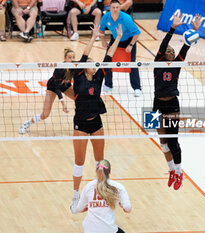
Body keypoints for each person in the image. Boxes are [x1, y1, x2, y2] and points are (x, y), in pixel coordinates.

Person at [71, 24, 123, 207]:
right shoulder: (78, 77)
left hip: (97, 123)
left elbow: (109, 56)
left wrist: (118, 38)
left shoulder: (99, 77)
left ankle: (100, 190)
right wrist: (93, 37)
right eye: (91, 64)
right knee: (79, 161)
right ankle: (76, 194)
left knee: (100, 161)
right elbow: (84, 55)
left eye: (95, 64)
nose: (94, 65)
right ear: (85, 68)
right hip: (81, 124)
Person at [153, 12, 202, 190]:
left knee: (173, 141)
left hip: (172, 103)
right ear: (162, 55)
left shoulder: (177, 64)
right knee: (163, 141)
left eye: (173, 51)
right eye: (169, 51)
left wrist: (195, 31)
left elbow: (186, 48)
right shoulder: (157, 63)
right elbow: (164, 44)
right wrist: (173, 28)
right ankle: (171, 170)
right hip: (156, 104)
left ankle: (180, 173)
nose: (172, 52)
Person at [19, 48, 76, 134]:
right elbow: (57, 88)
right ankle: (27, 123)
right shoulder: (59, 69)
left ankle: (85, 125)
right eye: (69, 57)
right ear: (65, 59)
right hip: (53, 87)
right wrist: (63, 103)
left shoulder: (76, 66)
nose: (72, 60)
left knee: (80, 99)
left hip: (65, 86)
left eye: (73, 57)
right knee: (45, 114)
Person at [71, 159, 132, 233]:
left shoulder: (89, 186)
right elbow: (128, 208)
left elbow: (78, 209)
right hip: (108, 230)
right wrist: (122, 206)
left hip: (89, 230)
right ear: (109, 172)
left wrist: (87, 207)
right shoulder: (118, 187)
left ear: (96, 171)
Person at [99, 0, 141, 97]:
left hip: (129, 40)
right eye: (113, 7)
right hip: (115, 40)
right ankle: (108, 85)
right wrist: (103, 41)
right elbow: (101, 30)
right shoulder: (106, 17)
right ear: (110, 8)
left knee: (132, 63)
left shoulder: (126, 18)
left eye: (117, 7)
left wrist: (130, 45)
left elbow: (137, 33)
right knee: (107, 61)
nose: (115, 9)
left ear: (120, 8)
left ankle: (137, 88)